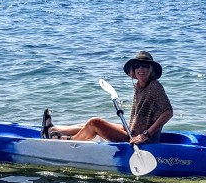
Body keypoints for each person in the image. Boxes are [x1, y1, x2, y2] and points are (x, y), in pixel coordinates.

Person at [41, 51, 173, 144]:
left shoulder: (154, 87)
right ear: (133, 70)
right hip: (133, 130)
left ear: (151, 70)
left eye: (145, 66)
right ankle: (53, 130)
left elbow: (168, 112)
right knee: (88, 125)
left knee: (95, 123)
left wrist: (146, 135)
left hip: (139, 139)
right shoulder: (139, 86)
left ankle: (65, 141)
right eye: (137, 66)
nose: (141, 69)